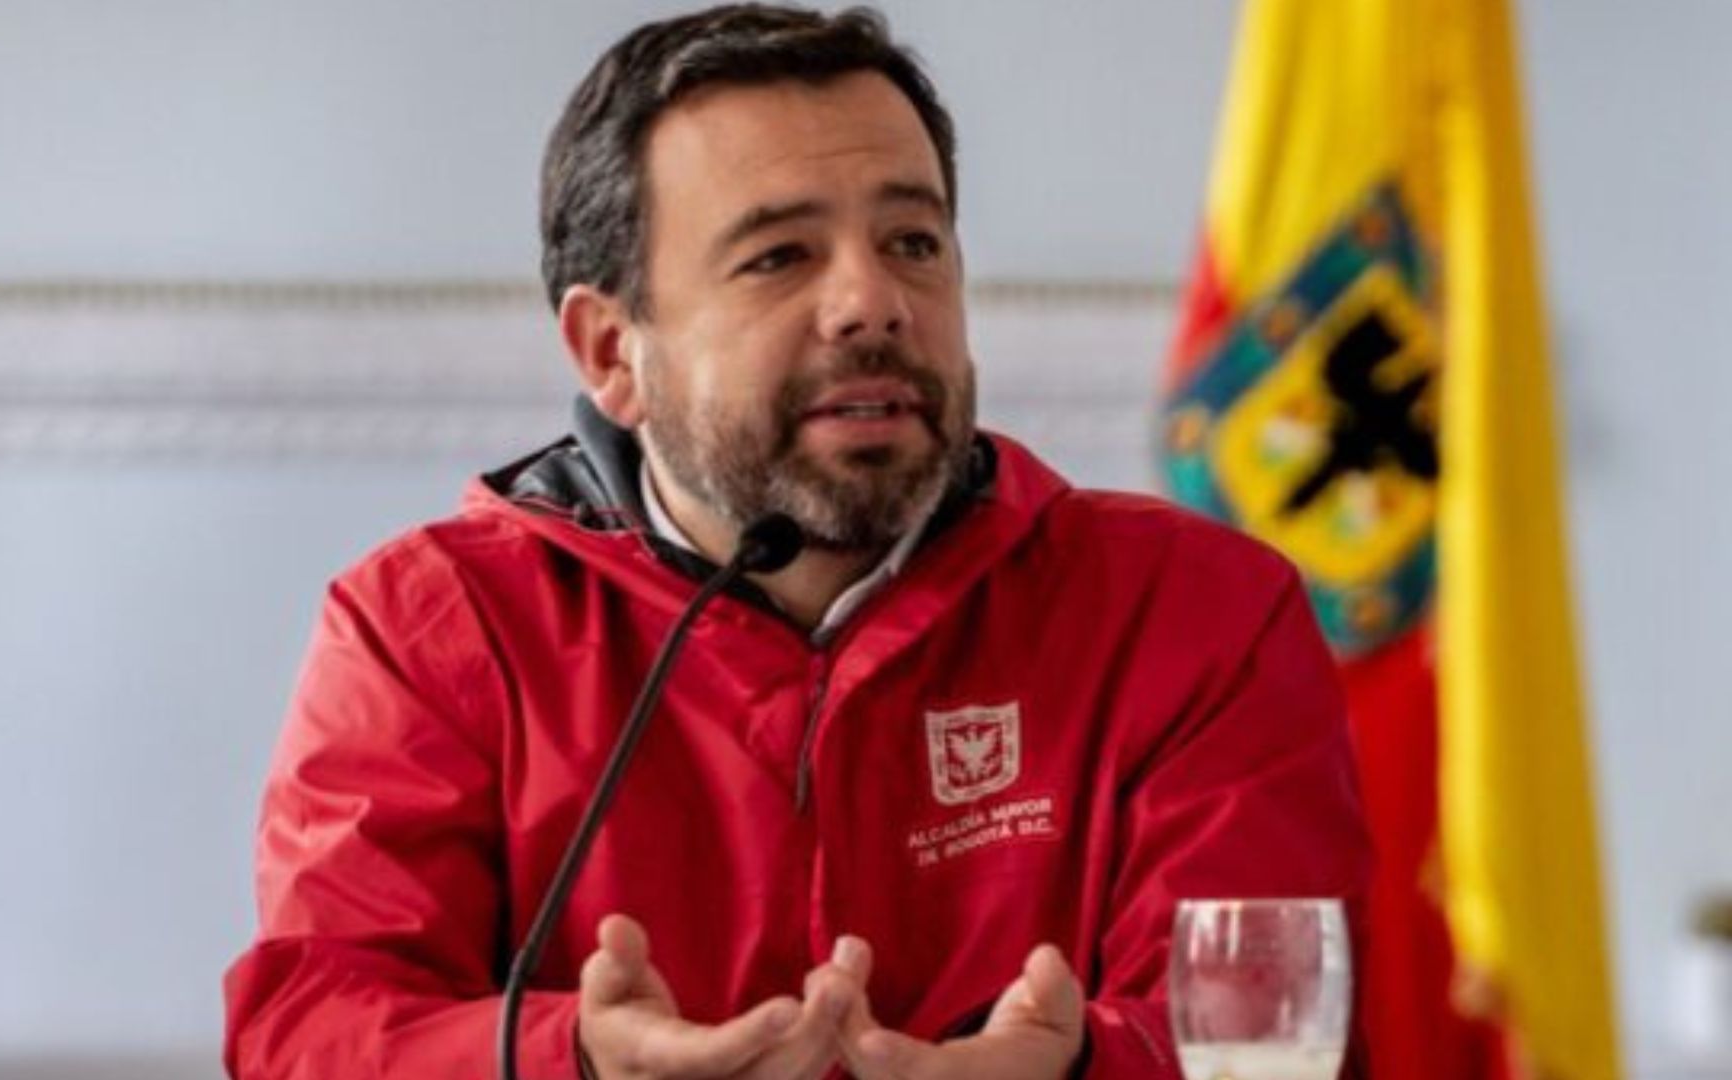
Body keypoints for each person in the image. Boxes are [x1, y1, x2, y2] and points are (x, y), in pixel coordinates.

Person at [222, 5, 1373, 1078]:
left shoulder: (1195, 610)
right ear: (614, 353)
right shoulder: (431, 626)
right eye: (779, 256)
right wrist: (571, 1059)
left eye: (913, 241)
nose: (873, 302)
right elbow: (313, 1025)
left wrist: (1081, 1067)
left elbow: (1276, 1035)